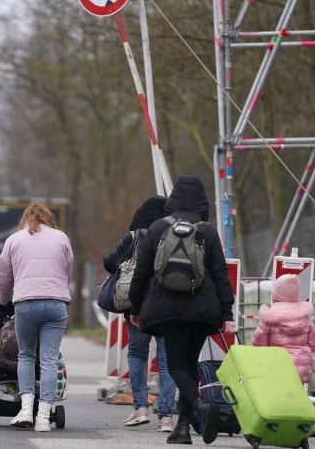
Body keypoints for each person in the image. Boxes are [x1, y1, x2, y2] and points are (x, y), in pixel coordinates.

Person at [128, 175, 237, 445]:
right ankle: (183, 428)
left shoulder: (157, 228)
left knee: (176, 365)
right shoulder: (208, 231)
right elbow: (221, 275)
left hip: (168, 308)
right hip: (203, 310)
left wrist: (135, 305)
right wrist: (227, 313)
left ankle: (200, 407)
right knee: (189, 364)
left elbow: (141, 272)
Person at [103, 195, 177, 432]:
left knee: (137, 354)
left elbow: (109, 262)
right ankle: (166, 417)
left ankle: (141, 408)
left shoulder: (134, 237)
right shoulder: (174, 235)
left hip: (138, 306)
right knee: (167, 361)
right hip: (167, 305)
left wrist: (124, 268)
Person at [0, 203, 73, 432]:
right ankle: (43, 417)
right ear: (48, 219)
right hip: (56, 304)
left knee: (26, 355)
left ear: (26, 220)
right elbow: (67, 272)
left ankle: (26, 410)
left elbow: (4, 276)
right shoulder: (62, 239)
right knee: (49, 359)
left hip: (26, 304)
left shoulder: (14, 240)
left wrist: (2, 300)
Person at [251, 274, 315, 386]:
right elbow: (314, 342)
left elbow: (259, 343)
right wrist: (301, 354)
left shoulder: (269, 316)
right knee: (296, 395)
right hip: (300, 367)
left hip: (276, 364)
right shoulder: (305, 317)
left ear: (275, 294)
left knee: (277, 396)